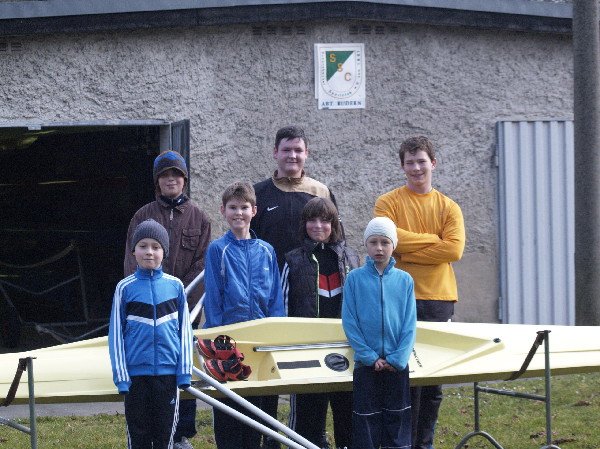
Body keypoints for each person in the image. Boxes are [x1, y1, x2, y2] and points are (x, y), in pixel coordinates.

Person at [251, 125, 340, 449]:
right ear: (275, 152)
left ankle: (312, 434)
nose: (292, 156)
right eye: (286, 150)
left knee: (312, 368)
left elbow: (335, 240)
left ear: (307, 154)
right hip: (267, 296)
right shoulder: (259, 194)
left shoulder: (320, 191)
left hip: (310, 298)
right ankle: (268, 435)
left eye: (298, 150)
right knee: (269, 366)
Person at [374, 135, 465, 449]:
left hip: (439, 300)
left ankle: (424, 444)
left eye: (421, 161)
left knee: (433, 382)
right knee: (402, 376)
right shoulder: (388, 202)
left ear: (433, 163)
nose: (416, 168)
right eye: (410, 162)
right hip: (398, 298)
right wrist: (432, 241)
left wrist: (405, 252)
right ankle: (400, 443)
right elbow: (387, 239)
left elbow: (453, 250)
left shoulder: (449, 207)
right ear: (402, 166)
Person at [124, 150, 211, 449]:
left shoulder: (199, 217)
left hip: (183, 309)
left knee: (181, 367)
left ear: (184, 179)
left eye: (176, 174)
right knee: (148, 373)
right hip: (144, 311)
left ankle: (181, 433)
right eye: (164, 175)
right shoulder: (142, 216)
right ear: (157, 181)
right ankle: (147, 431)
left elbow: (202, 264)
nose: (170, 179)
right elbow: (131, 260)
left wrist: (179, 299)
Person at [203, 182, 285, 449]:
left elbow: (275, 298)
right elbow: (213, 297)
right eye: (233, 207)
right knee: (229, 406)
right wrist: (217, 340)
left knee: (255, 409)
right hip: (228, 341)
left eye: (244, 207)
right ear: (223, 211)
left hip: (258, 340)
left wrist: (275, 332)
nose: (239, 213)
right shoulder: (218, 250)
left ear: (254, 211)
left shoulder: (267, 250)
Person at [281, 197, 359, 449]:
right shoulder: (292, 259)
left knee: (347, 415)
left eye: (325, 220)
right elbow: (284, 308)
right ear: (304, 224)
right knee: (307, 416)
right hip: (307, 349)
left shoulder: (350, 257)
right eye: (312, 220)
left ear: (334, 224)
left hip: (346, 348)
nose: (318, 226)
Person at [109, 219, 194, 449]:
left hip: (168, 376)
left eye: (156, 247)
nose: (149, 252)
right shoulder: (124, 288)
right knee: (139, 434)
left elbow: (185, 332)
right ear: (133, 251)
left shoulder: (175, 287)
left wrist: (184, 372)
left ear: (164, 252)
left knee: (165, 434)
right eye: (143, 246)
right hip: (135, 377)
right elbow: (116, 335)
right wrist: (122, 376)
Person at [342, 217, 417, 449]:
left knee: (397, 419)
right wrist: (369, 356)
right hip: (366, 366)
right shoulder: (354, 279)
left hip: (397, 366)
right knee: (366, 420)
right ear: (366, 244)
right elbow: (350, 322)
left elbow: (409, 324)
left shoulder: (405, 280)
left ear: (393, 245)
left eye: (385, 242)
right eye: (373, 242)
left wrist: (398, 358)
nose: (379, 248)